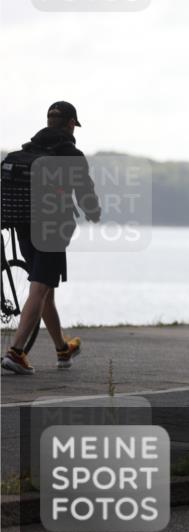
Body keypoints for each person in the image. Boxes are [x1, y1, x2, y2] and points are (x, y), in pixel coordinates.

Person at [1, 101, 101, 375]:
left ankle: (62, 349)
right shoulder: (71, 154)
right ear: (71, 124)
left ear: (48, 122)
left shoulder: (25, 152)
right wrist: (93, 213)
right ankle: (17, 352)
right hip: (52, 229)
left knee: (45, 288)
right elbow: (84, 193)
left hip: (22, 223)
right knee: (40, 287)